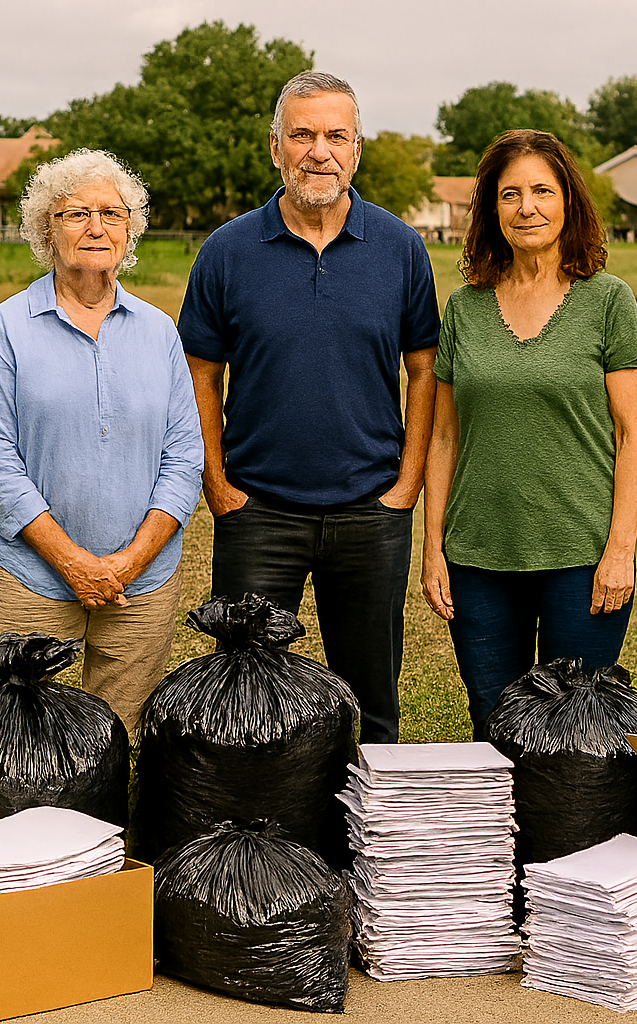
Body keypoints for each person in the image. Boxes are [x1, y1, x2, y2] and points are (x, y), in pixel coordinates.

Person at [178, 71, 440, 745]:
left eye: (335, 136)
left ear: (356, 151)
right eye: (302, 135)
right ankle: (252, 842)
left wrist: (405, 487)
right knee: (244, 700)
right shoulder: (227, 251)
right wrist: (220, 485)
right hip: (258, 510)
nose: (318, 151)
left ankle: (367, 842)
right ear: (275, 147)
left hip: (370, 512)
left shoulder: (401, 249)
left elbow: (424, 370)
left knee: (372, 705)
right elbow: (199, 374)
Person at [421, 129, 637, 739]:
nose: (527, 207)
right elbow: (443, 438)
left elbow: (634, 436)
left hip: (582, 555)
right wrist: (433, 548)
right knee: (496, 729)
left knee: (579, 735)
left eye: (543, 192)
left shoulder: (608, 301)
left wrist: (621, 551)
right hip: (479, 558)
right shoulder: (465, 309)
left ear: (569, 201)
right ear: (491, 210)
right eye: (510, 194)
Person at [0, 150, 203, 736]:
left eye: (112, 214)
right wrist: (72, 563)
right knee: (21, 742)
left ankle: (108, 832)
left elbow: (184, 460)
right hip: (31, 576)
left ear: (130, 229)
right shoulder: (5, 327)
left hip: (140, 583)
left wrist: (128, 562)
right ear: (47, 228)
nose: (96, 228)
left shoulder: (159, 330)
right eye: (76, 214)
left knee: (118, 740)